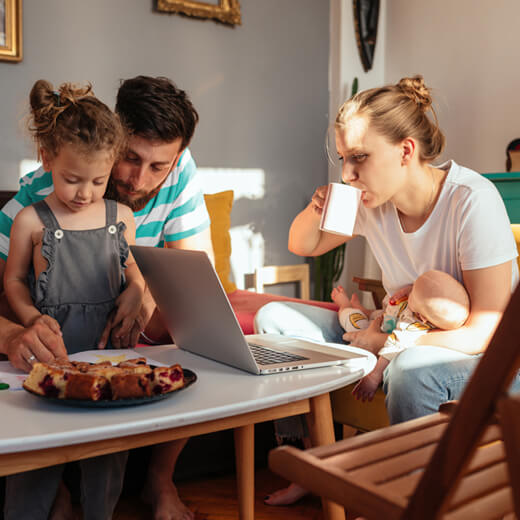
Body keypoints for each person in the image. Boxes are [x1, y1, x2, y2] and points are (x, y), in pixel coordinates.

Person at [256, 74, 520, 506]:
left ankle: (416, 500)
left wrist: (387, 344)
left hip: (490, 363)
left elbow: (484, 335)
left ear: (406, 151)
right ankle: (313, 458)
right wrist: (318, 205)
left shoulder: (472, 200)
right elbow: (301, 244)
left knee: (413, 369)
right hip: (395, 333)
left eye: (359, 157)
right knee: (274, 320)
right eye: (343, 158)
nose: (347, 173)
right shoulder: (370, 203)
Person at [0, 76, 213, 520]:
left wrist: (142, 291)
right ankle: (54, 486)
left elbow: (196, 278)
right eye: (129, 159)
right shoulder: (38, 199)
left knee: (201, 327)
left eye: (159, 166)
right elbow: (12, 284)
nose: (140, 179)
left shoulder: (168, 178)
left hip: (113, 334)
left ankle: (159, 480)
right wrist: (16, 329)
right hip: (54, 333)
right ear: (114, 139)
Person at [3, 79, 140, 520]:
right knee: (37, 456)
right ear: (47, 159)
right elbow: (15, 283)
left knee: (107, 457)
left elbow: (133, 268)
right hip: (51, 354)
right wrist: (30, 321)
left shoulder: (123, 217)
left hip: (108, 355)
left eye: (99, 180)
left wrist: (138, 288)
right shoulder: (29, 220)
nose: (85, 193)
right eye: (72, 179)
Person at [332, 269, 470, 402]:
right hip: (388, 317)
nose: (410, 291)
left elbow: (392, 347)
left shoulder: (411, 328)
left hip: (380, 330)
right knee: (378, 314)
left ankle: (345, 306)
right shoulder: (422, 303)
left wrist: (374, 376)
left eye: (413, 292)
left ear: (421, 317)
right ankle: (364, 310)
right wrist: (412, 289)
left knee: (354, 322)